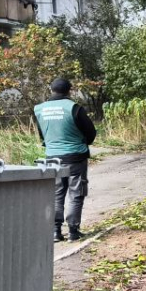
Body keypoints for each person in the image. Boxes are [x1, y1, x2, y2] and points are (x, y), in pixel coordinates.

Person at [33, 77, 97, 242]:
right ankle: (73, 232)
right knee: (76, 193)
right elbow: (91, 132)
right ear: (70, 91)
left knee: (56, 192)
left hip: (52, 157)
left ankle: (55, 231)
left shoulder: (39, 109)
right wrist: (84, 142)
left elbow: (42, 134)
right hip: (76, 157)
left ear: (51, 90)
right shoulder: (74, 108)